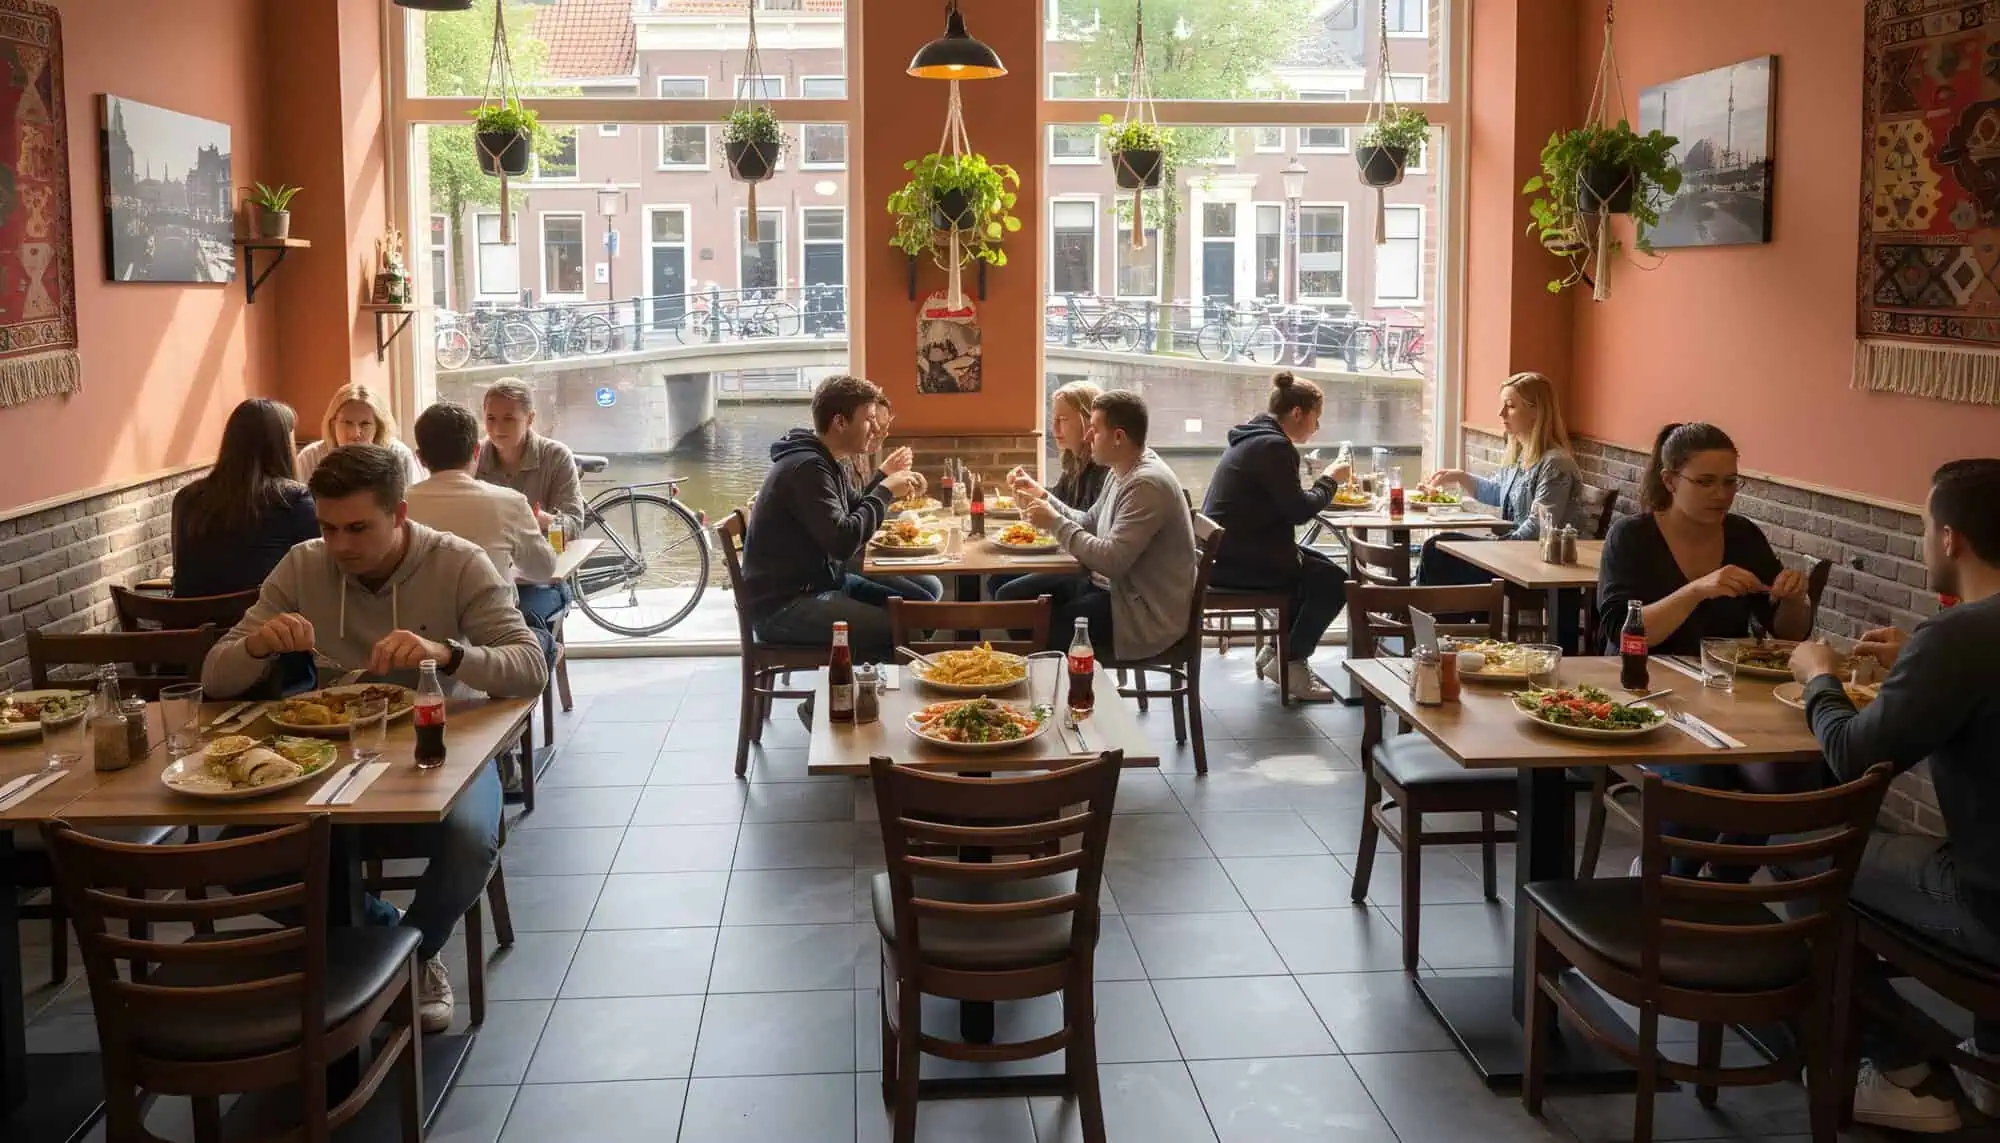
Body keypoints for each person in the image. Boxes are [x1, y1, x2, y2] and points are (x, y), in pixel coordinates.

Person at [202, 444, 548, 1035]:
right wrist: (256, 647)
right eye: (329, 528)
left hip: (441, 750)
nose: (341, 546)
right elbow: (214, 676)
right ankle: (387, 939)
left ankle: (416, 955)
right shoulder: (302, 565)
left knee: (470, 840)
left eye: (359, 528)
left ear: (401, 515)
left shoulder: (458, 563)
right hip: (324, 760)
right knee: (240, 861)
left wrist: (448, 652)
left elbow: (529, 666)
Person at [1784, 459, 2000, 1134]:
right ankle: (1992, 1064)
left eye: (1922, 524)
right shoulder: (1961, 639)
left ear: (1949, 539)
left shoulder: (1962, 635)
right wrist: (1918, 657)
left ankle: (1900, 1072)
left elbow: (1850, 751)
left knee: (1807, 854)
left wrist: (1818, 675)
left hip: (1989, 907)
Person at [1598, 422, 1818, 877]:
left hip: (1727, 699)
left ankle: (1726, 877)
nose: (1722, 494)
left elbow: (1787, 633)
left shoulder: (1742, 536)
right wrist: (1696, 589)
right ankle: (1669, 880)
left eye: (1731, 482)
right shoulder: (1632, 538)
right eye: (1706, 482)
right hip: (1643, 698)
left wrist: (1794, 599)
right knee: (1700, 783)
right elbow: (1625, 635)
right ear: (1670, 480)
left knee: (1785, 779)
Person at [999, 390, 1196, 660]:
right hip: (1112, 590)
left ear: (1118, 437)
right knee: (1012, 596)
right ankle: (1050, 676)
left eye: (1094, 429)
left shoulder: (1146, 485)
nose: (1088, 436)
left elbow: (1112, 561)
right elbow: (1089, 522)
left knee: (1040, 625)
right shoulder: (1121, 470)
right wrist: (1042, 496)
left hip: (1139, 614)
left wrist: (1054, 522)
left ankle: (1065, 687)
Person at [740, 374, 924, 658]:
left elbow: (854, 510)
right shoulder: (807, 469)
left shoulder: (824, 462)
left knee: (919, 606)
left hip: (820, 585)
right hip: (785, 606)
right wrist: (885, 491)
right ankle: (844, 697)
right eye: (869, 419)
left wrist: (883, 480)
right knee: (902, 628)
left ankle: (862, 690)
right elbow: (843, 542)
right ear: (840, 422)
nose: (876, 428)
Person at [1200, 372, 1352, 701]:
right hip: (1241, 563)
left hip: (1227, 555)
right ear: (1298, 412)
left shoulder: (1253, 438)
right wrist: (1329, 480)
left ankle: (1277, 654)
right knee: (1334, 582)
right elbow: (1298, 510)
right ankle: (1292, 662)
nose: (1317, 427)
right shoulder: (1274, 446)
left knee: (1323, 567)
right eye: (1316, 417)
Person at [405, 401, 560, 660]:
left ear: (420, 458)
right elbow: (543, 569)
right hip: (492, 644)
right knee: (555, 599)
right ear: (477, 451)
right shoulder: (509, 502)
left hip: (420, 640)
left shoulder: (397, 506)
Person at [1420, 371, 1584, 562]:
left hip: (1534, 559)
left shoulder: (1555, 464)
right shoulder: (1520, 456)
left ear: (1536, 412)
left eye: (1510, 406)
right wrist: (1460, 477)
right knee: (1437, 546)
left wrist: (1498, 547)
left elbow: (1539, 525)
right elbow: (1497, 492)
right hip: (1512, 550)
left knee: (1437, 550)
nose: (1501, 413)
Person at [171, 398, 318, 598]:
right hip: (263, 625)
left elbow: (181, 573)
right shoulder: (295, 499)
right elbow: (317, 572)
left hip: (187, 625)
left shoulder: (185, 498)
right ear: (282, 444)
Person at [475, 378, 585, 634]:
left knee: (522, 628)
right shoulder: (474, 457)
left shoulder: (556, 456)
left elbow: (575, 524)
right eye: (491, 418)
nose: (497, 428)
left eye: (509, 419)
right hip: (488, 577)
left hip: (542, 579)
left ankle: (536, 666)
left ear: (530, 418)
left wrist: (539, 519)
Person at [839, 396, 941, 605]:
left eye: (885, 424)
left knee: (933, 587)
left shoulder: (859, 454)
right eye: (874, 422)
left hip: (863, 546)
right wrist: (885, 480)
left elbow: (859, 503)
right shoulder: (840, 458)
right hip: (850, 558)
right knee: (923, 602)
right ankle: (906, 634)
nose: (882, 432)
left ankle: (910, 635)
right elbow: (851, 520)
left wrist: (890, 475)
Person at [295, 382, 424, 486]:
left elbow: (412, 510)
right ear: (333, 423)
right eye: (347, 422)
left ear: (378, 427)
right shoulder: (310, 458)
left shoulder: (399, 456)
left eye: (365, 424)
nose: (355, 433)